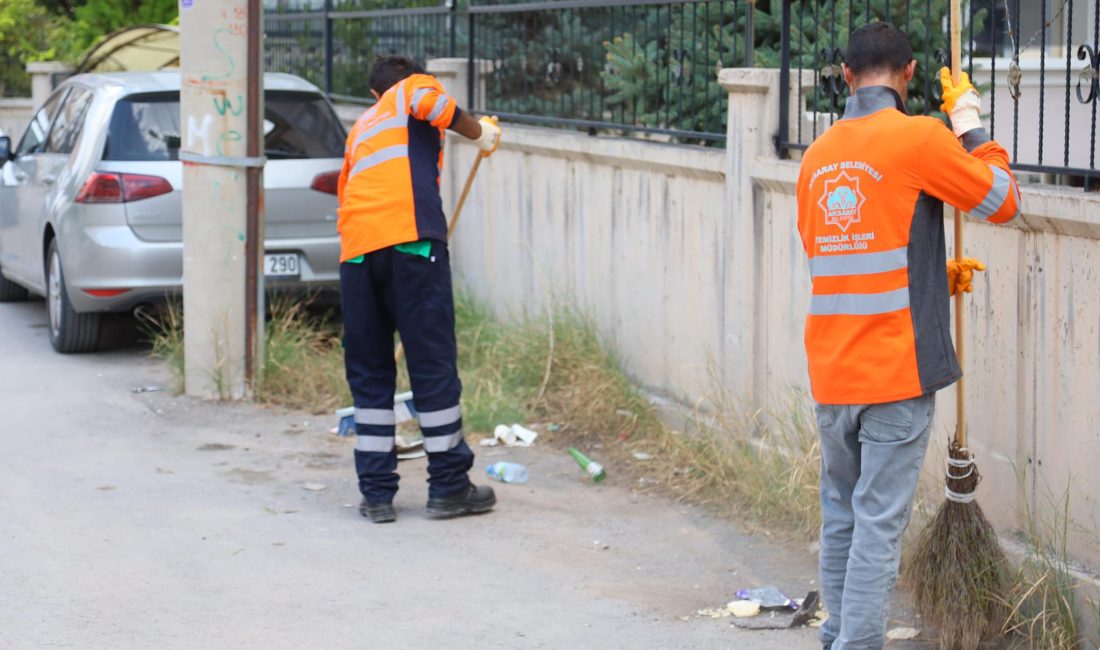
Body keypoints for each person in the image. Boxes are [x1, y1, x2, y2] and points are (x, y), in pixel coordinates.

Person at [795, 22, 1020, 649]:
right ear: (911, 74)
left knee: (841, 514)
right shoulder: (920, 138)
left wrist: (930, 275)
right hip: (894, 373)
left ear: (845, 75)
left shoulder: (816, 158)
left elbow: (846, 255)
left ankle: (838, 634)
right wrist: (969, 120)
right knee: (877, 525)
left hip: (832, 374)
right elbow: (1003, 200)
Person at [336, 56, 502, 523]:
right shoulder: (411, 90)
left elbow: (345, 191)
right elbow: (436, 105)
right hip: (411, 245)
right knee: (431, 366)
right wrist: (479, 133)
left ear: (371, 93)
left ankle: (377, 496)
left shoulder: (361, 127)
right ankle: (449, 487)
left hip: (357, 256)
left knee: (370, 373)